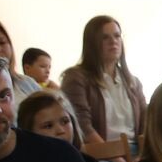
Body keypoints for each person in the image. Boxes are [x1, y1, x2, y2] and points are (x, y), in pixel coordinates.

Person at [61, 15, 146, 148]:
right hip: (99, 153)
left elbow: (146, 122)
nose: (113, 41)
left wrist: (144, 155)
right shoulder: (75, 78)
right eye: (105, 37)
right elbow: (82, 125)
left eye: (117, 36)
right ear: (92, 43)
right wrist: (115, 157)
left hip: (135, 150)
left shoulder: (133, 82)